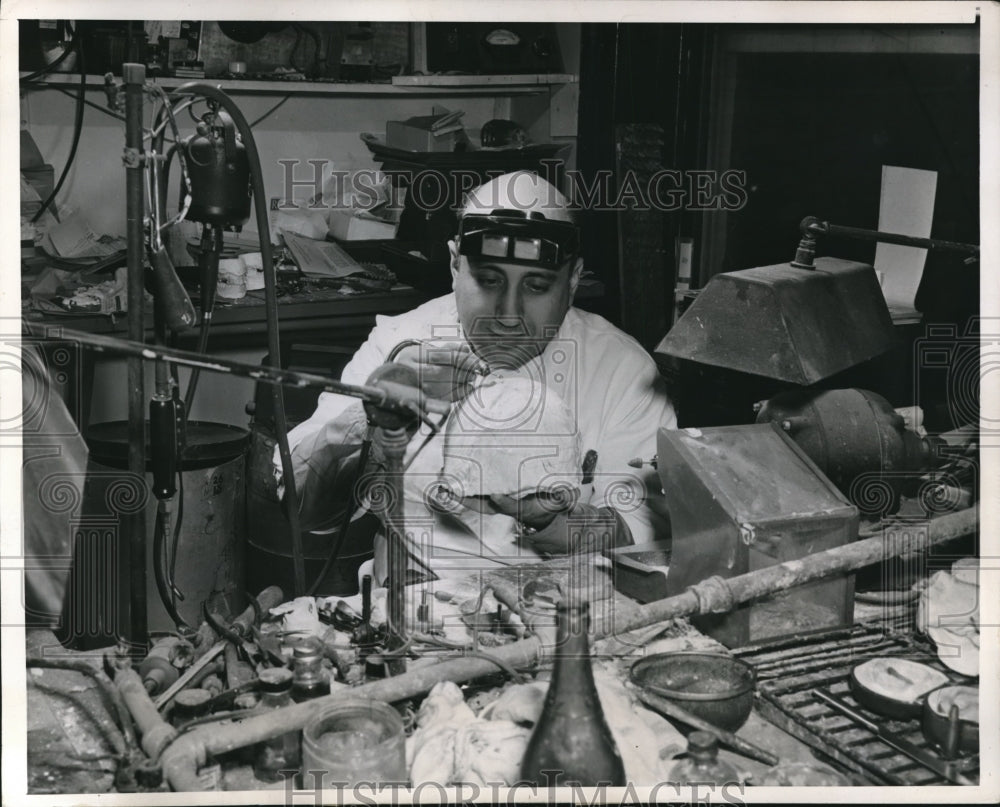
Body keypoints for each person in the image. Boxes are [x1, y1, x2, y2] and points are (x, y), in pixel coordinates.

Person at [279, 171, 676, 584]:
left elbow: (645, 538)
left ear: (573, 279)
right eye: (488, 281)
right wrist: (372, 419)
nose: (508, 315)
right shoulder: (400, 343)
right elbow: (300, 508)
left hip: (558, 603)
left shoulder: (622, 372)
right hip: (414, 594)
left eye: (537, 286)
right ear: (455, 264)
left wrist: (551, 521)